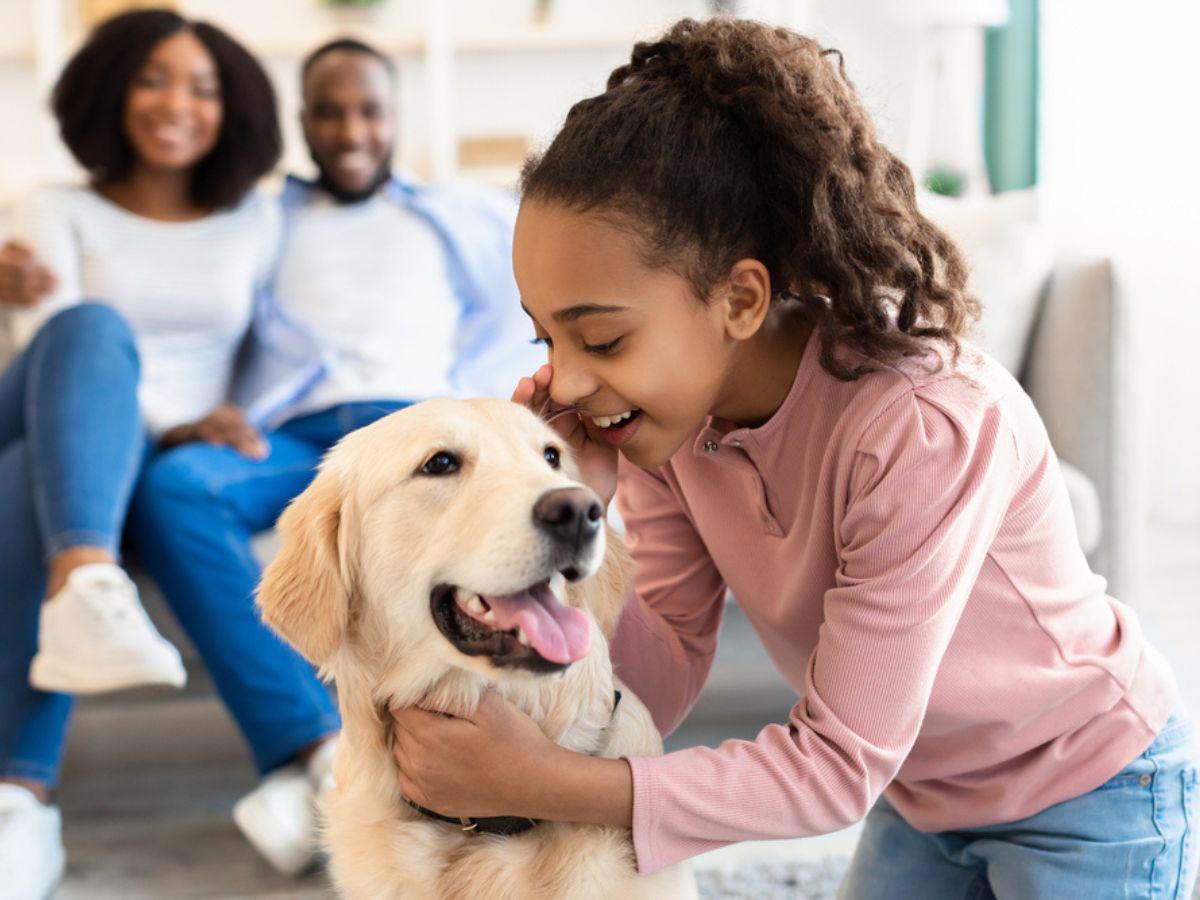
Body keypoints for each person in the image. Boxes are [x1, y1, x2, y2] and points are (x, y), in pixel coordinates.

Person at [387, 18, 1199, 898]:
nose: (568, 382)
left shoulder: (920, 427)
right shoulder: (671, 428)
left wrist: (541, 786)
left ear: (740, 298)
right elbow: (657, 681)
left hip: (1088, 785)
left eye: (603, 338)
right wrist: (570, 526)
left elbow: (835, 767)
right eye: (548, 336)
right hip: (923, 794)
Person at [123, 37, 541, 876]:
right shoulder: (256, 221)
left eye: (369, 111)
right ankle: (313, 746)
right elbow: (165, 289)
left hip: (421, 427)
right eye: (330, 111)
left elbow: (538, 285)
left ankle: (485, 775)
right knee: (174, 488)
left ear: (395, 120)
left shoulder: (461, 214)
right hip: (301, 435)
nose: (351, 130)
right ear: (303, 123)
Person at [0, 11, 293, 899]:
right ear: (113, 89)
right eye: (154, 79)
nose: (178, 104)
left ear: (231, 107)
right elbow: (52, 350)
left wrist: (230, 421)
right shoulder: (54, 210)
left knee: (24, 487)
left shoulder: (256, 220)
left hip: (96, 470)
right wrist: (172, 425)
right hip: (58, 411)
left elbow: (277, 352)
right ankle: (88, 572)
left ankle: (17, 800)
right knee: (91, 328)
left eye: (203, 87)